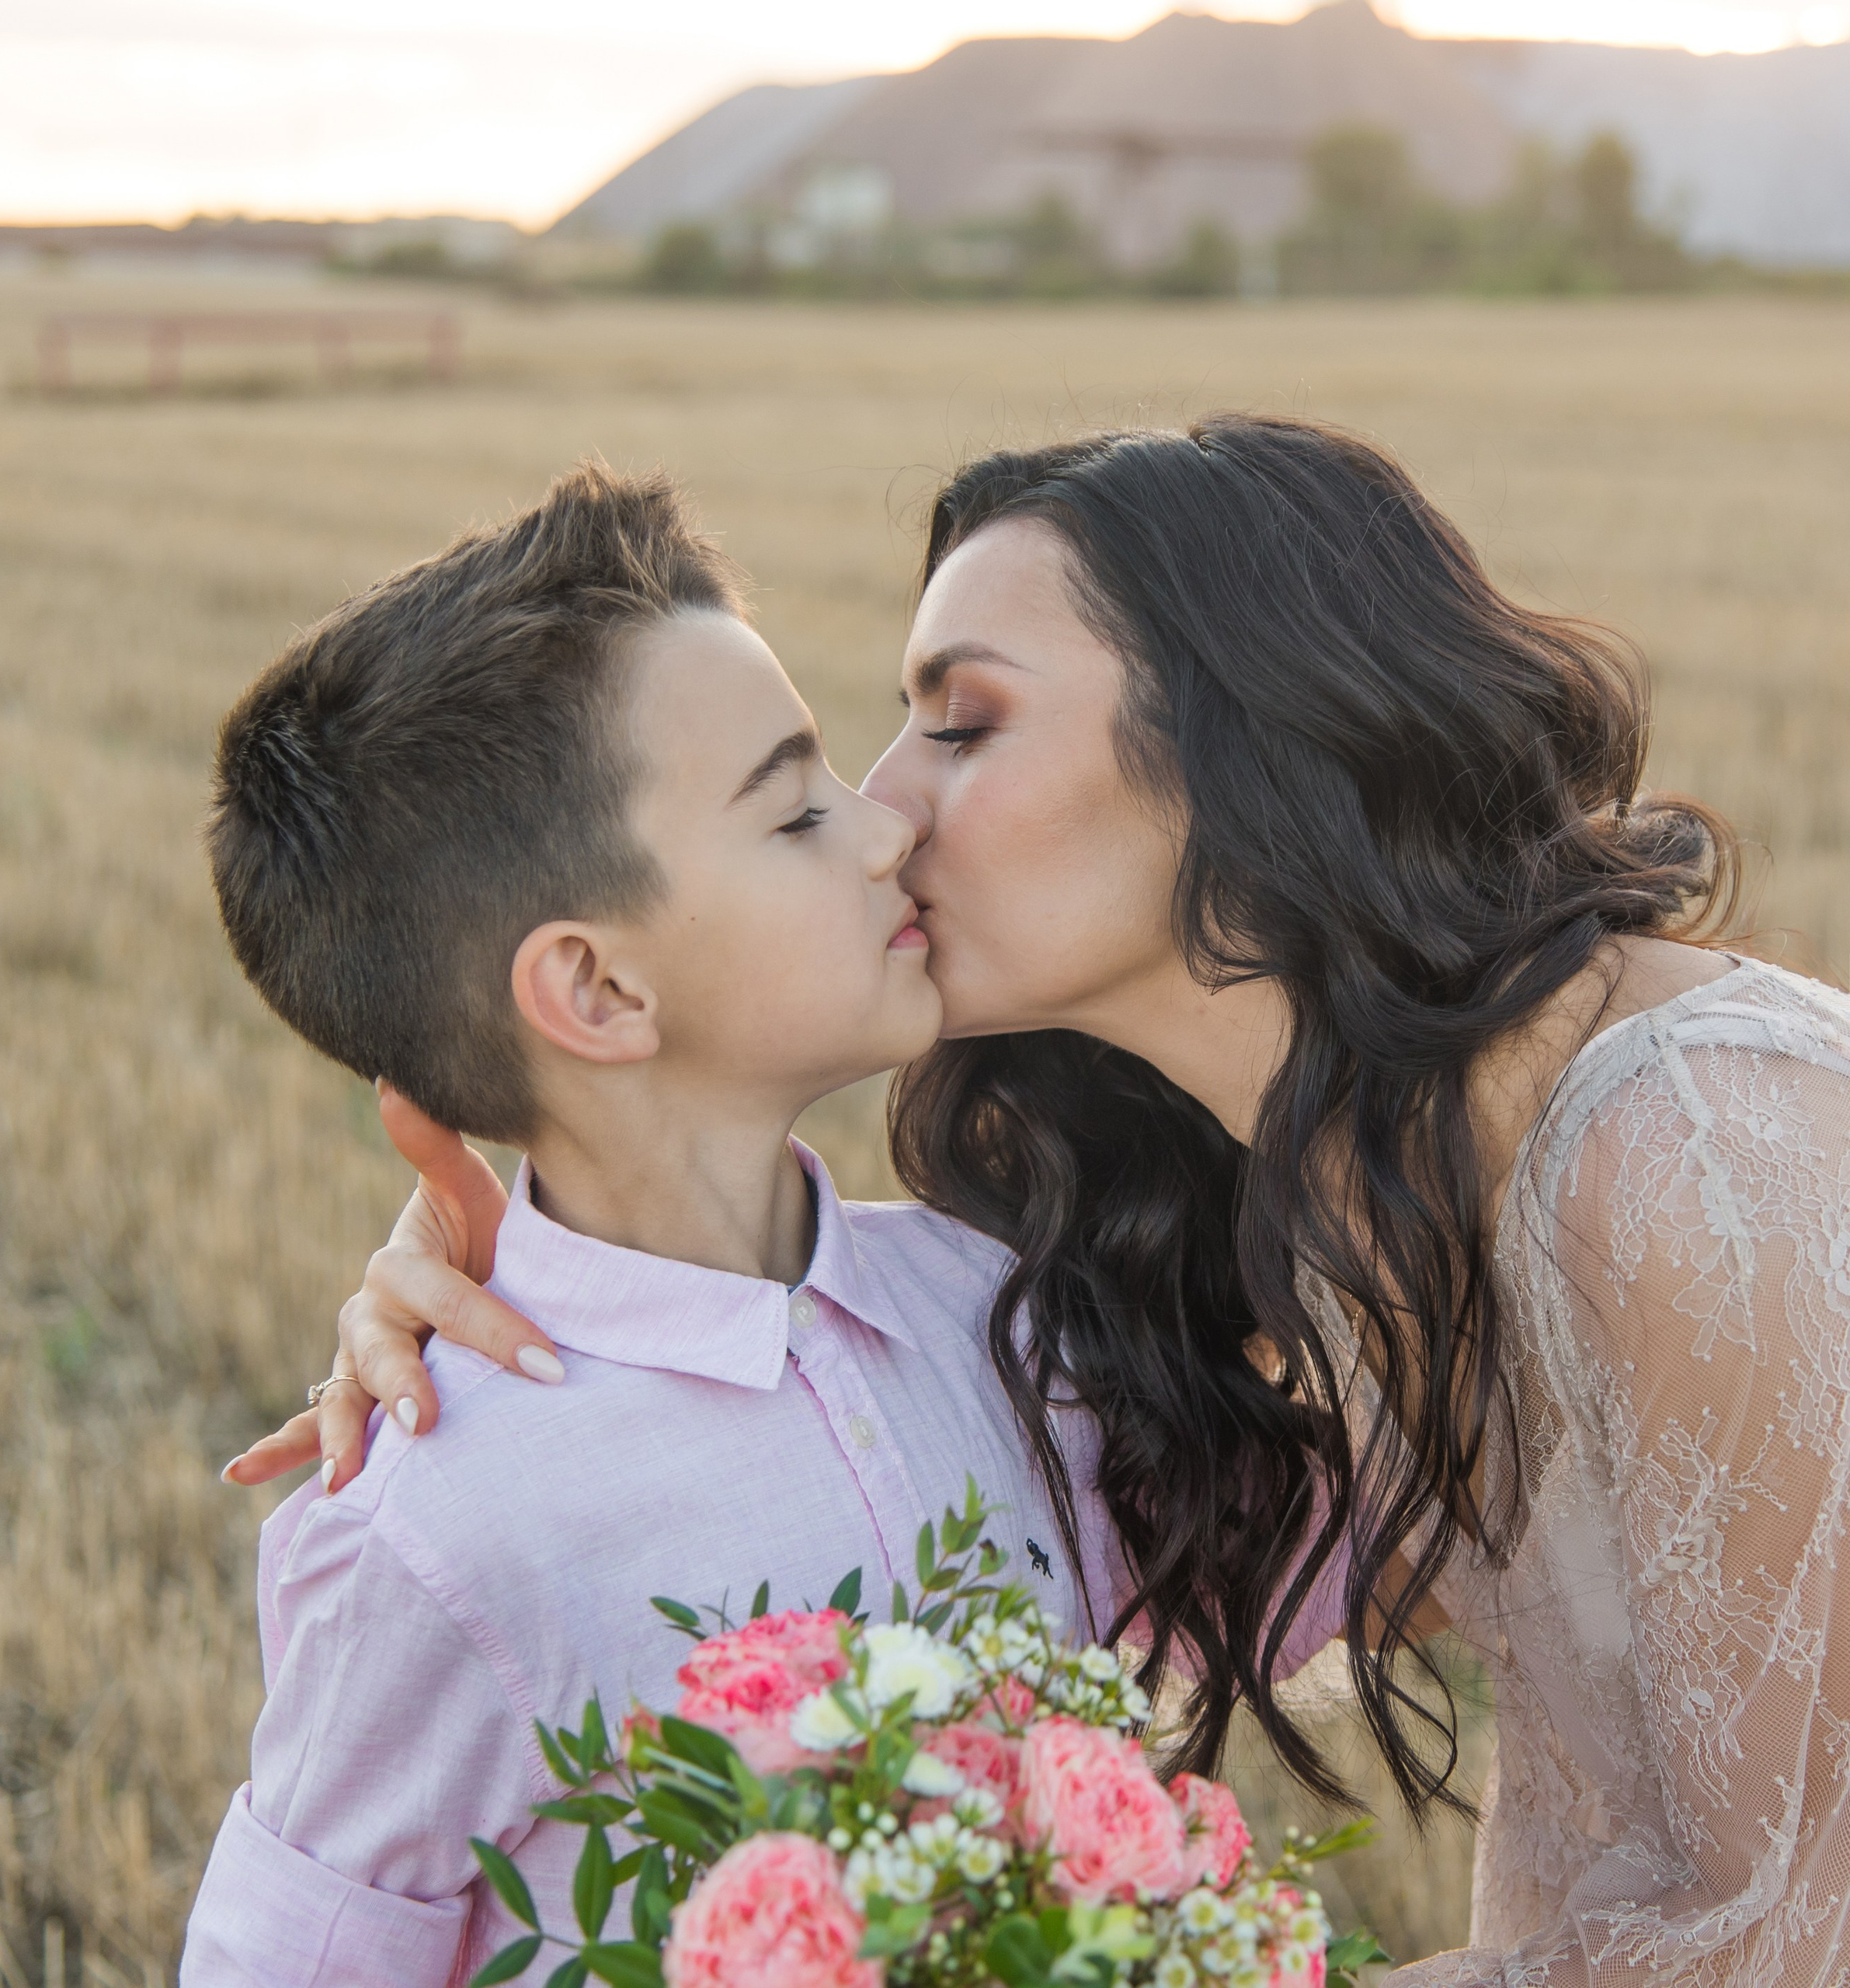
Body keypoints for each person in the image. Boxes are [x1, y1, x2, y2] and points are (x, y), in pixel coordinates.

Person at [260, 419, 1850, 1985]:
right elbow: (1381, 1534)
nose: (884, 811)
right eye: (820, 785)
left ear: (1244, 747)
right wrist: (573, 1290)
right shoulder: (1299, 1200)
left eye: (961, 724)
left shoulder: (1703, 1155)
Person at [183, 464, 1156, 1986]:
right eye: (796, 809)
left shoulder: (1003, 1310)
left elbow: (1388, 1539)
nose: (885, 827)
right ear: (599, 989)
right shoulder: (435, 1534)